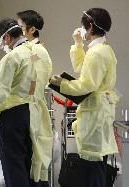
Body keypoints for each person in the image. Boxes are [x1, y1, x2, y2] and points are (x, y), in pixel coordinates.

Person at [0, 18, 53, 187]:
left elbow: (1, 92)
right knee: (34, 165)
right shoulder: (41, 52)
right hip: (36, 114)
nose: (2, 45)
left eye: (1, 40)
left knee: (14, 166)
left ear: (7, 37)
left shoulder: (12, 57)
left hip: (13, 116)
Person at [50, 8, 118, 187]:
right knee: (97, 161)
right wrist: (78, 44)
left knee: (93, 164)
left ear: (89, 26)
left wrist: (61, 84)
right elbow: (82, 68)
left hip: (94, 112)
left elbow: (87, 84)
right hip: (99, 110)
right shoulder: (104, 49)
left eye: (83, 27)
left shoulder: (97, 53)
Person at [17, 10, 53, 187]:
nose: (17, 30)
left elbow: (34, 82)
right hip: (28, 106)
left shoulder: (36, 50)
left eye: (21, 27)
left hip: (30, 107)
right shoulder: (32, 49)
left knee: (31, 161)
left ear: (31, 30)